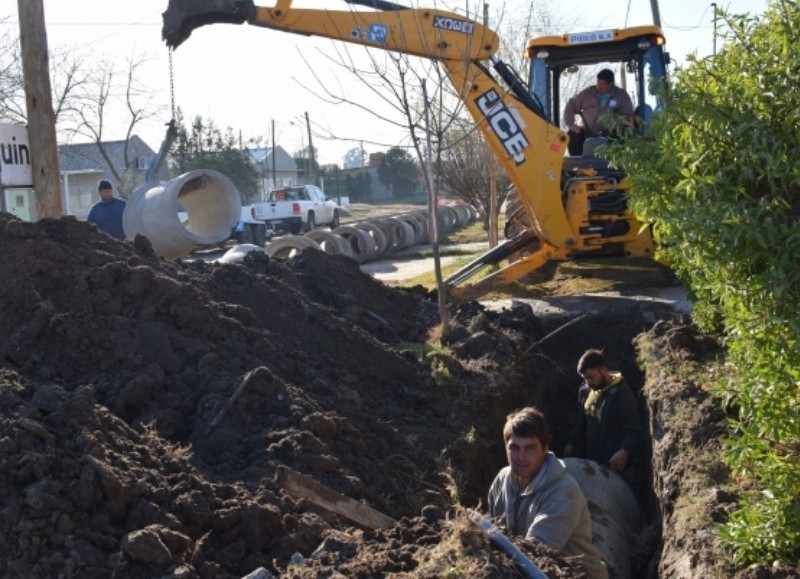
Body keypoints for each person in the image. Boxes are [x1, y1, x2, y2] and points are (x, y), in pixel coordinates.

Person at [487, 407, 608, 579]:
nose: (521, 457)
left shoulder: (564, 492)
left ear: (545, 449)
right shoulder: (502, 479)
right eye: (514, 448)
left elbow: (535, 554)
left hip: (576, 574)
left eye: (530, 448)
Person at [563, 348, 642, 489]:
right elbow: (581, 423)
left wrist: (624, 451)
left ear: (604, 370)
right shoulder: (585, 390)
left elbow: (633, 431)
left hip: (613, 465)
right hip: (590, 461)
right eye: (585, 379)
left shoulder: (623, 397)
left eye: (591, 377)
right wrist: (571, 443)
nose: (588, 383)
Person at [563, 68, 634, 156]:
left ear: (610, 84)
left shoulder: (621, 96)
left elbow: (627, 116)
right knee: (572, 134)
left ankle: (617, 166)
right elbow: (571, 104)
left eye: (601, 84)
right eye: (598, 83)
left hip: (611, 134)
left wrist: (615, 124)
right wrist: (571, 124)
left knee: (623, 135)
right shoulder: (588, 93)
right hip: (587, 133)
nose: (598, 86)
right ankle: (576, 166)